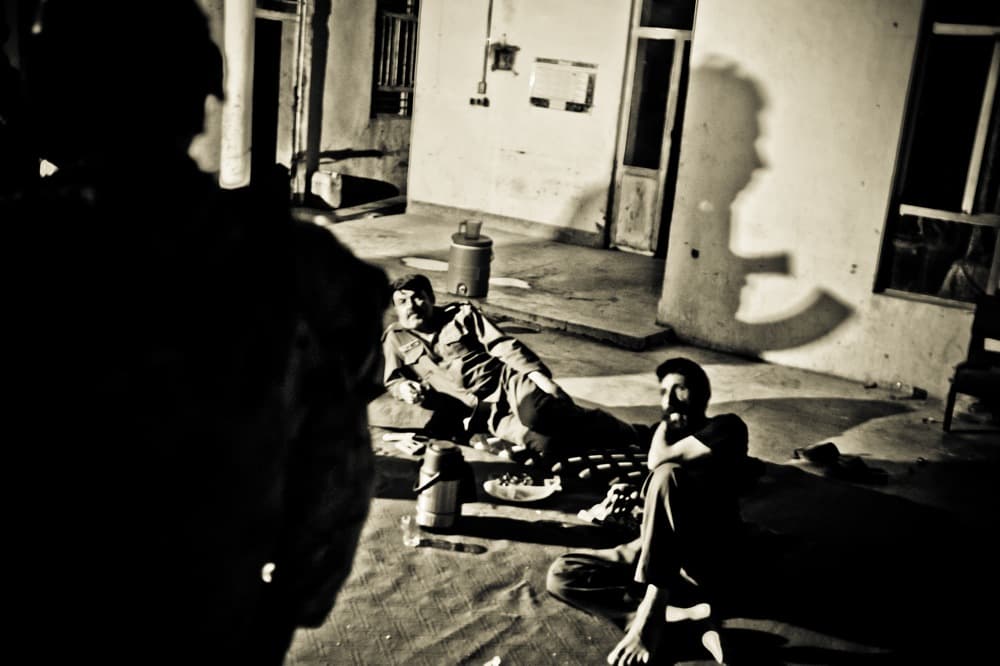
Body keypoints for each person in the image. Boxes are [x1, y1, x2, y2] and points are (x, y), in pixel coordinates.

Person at [5, 2, 387, 665]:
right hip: (211, 623)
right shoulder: (297, 272)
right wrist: (275, 620)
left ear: (51, 94)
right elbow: (335, 484)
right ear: (199, 98)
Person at [546, 357, 755, 665]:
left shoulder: (726, 427)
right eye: (663, 391)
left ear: (702, 394)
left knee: (668, 473)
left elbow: (661, 464)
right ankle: (682, 619)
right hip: (659, 549)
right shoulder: (664, 433)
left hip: (709, 552)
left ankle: (651, 614)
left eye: (679, 389)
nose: (669, 399)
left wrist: (666, 426)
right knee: (563, 574)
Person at [381, 272, 640, 462]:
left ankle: (625, 430)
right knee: (546, 444)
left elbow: (503, 345)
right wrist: (404, 388)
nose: (411, 306)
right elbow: (392, 380)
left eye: (418, 298)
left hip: (508, 383)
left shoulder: (461, 316)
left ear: (431, 298)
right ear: (395, 309)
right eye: (402, 302)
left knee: (537, 415)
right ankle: (582, 428)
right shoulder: (395, 338)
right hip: (483, 413)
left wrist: (542, 380)